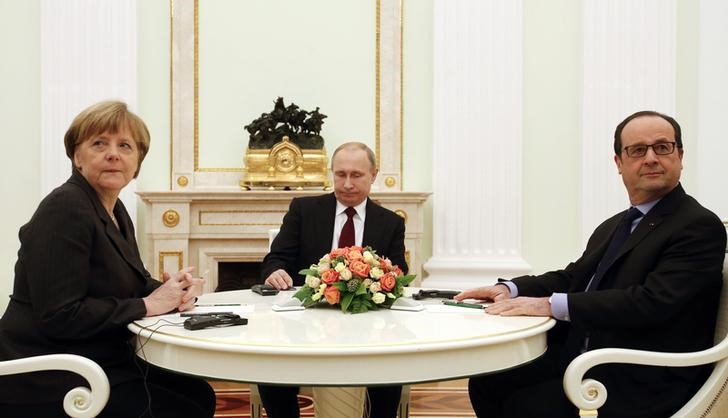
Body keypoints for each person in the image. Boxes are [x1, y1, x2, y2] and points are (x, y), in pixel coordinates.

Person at [455, 110, 726, 418]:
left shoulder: (698, 225)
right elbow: (573, 277)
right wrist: (510, 289)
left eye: (662, 147)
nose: (651, 157)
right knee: (489, 380)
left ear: (680, 155)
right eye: (638, 150)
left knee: (527, 407)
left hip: (642, 373)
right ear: (619, 163)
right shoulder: (616, 224)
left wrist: (549, 305)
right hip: (589, 353)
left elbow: (652, 302)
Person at [0, 101, 216, 417]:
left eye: (125, 146)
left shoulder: (114, 209)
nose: (113, 153)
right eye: (99, 143)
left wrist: (176, 293)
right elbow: (61, 314)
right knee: (180, 409)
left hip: (95, 356)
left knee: (198, 394)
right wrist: (149, 304)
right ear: (77, 157)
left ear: (137, 162)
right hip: (45, 368)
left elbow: (136, 282)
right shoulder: (65, 208)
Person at [258, 142, 407, 418]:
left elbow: (399, 275)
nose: (347, 183)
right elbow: (275, 258)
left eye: (356, 175)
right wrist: (274, 271)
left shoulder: (390, 223)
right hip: (305, 327)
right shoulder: (303, 210)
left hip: (369, 330)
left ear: (373, 175)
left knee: (391, 367)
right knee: (270, 367)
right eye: (340, 174)